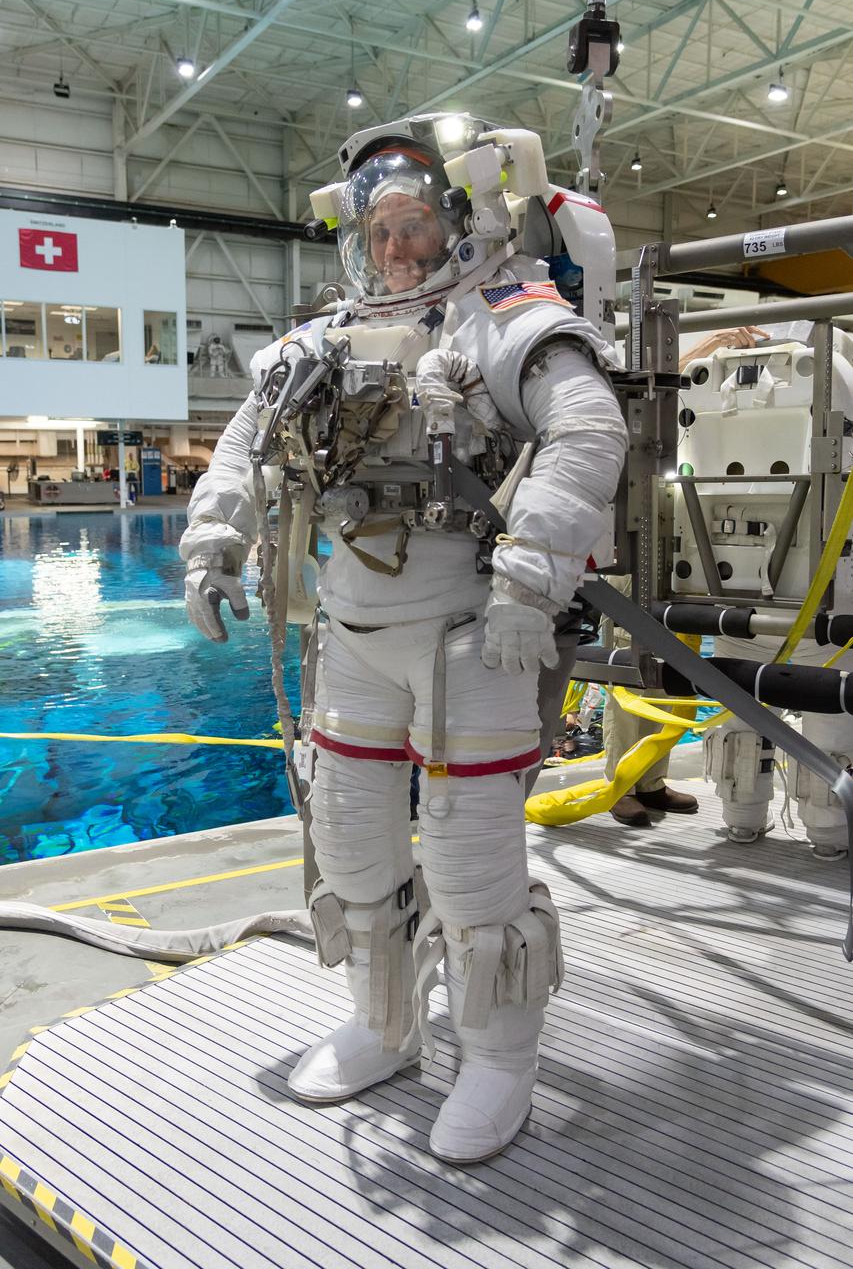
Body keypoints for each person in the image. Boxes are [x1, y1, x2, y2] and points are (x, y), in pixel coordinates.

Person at [179, 113, 627, 1163]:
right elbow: (244, 440)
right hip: (353, 633)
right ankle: (384, 1026)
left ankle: (497, 1053)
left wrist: (529, 578)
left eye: (415, 222)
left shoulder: (505, 316)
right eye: (379, 229)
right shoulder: (321, 342)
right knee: (350, 843)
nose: (396, 246)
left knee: (473, 865)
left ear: (456, 222)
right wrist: (212, 542)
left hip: (469, 634)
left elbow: (588, 428)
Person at [603, 326, 770, 827]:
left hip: (679, 549)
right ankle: (619, 786)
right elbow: (660, 384)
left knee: (673, 674)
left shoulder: (694, 417)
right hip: (635, 551)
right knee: (634, 676)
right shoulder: (628, 391)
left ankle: (651, 782)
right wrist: (716, 345)